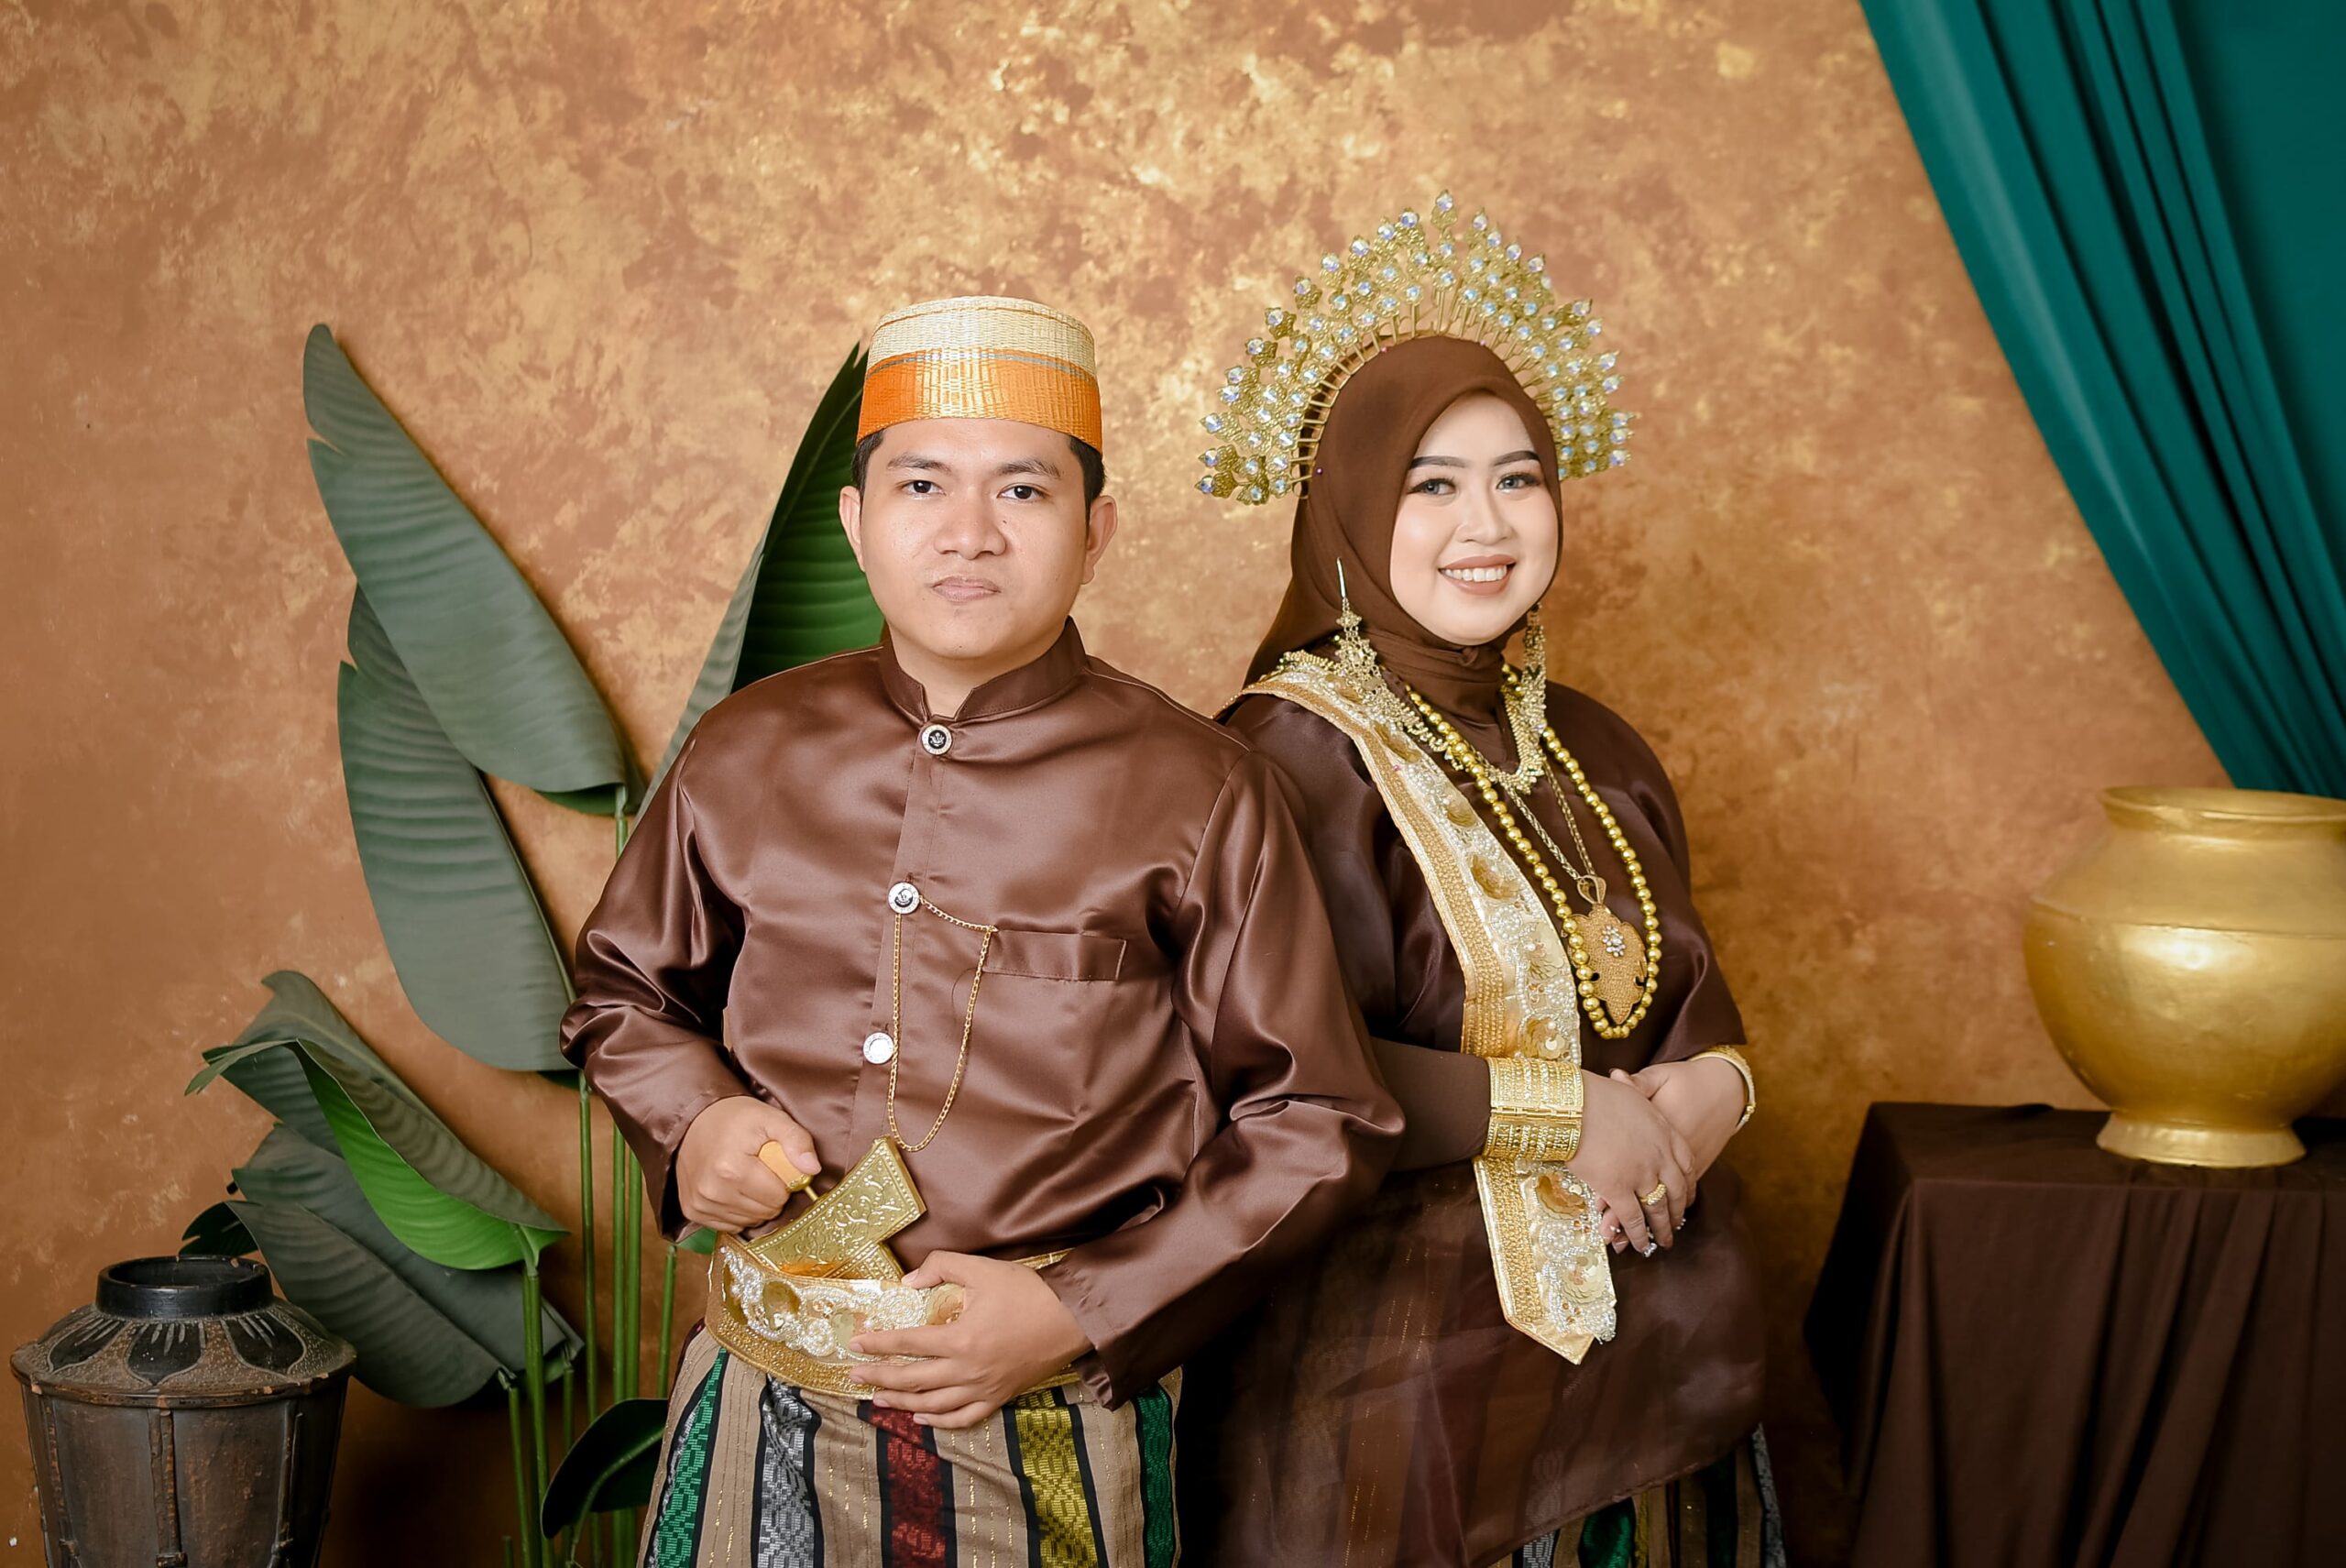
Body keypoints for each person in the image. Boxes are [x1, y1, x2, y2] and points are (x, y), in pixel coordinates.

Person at [562, 294, 1401, 1567]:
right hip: (754, 1399)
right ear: (857, 522)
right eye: (922, 486)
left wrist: (1079, 1309)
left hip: (1042, 1425)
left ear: (1095, 531)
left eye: (1022, 490)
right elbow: (623, 991)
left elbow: (1320, 1117)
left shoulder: (1203, 791)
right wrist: (695, 1124)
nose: (969, 532)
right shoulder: (746, 749)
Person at [1183, 197, 1779, 1566]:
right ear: (1347, 505)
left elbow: (1688, 1004)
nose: (1487, 524)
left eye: (1518, 479)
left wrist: (1712, 1095)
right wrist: (1565, 1115)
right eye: (1431, 484)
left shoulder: (1597, 747)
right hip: (1396, 1385)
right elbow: (1262, 1070)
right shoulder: (1284, 757)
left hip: (1657, 1348)